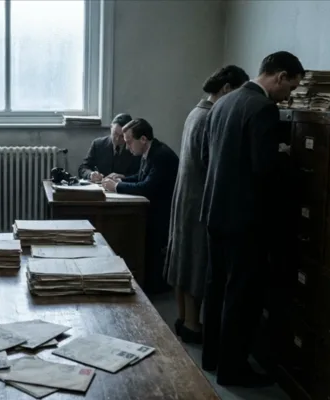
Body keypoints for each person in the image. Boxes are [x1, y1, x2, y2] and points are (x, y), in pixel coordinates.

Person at [199, 51, 304, 386]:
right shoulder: (262, 108)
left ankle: (211, 357)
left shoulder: (222, 104)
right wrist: (284, 156)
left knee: (217, 287)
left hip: (215, 213)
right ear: (280, 76)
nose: (288, 97)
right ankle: (233, 369)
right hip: (245, 221)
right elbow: (263, 169)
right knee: (242, 296)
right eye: (291, 88)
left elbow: (207, 157)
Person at [163, 65, 250, 344]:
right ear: (226, 89)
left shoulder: (195, 112)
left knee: (182, 258)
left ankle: (183, 319)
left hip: (186, 196)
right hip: (199, 198)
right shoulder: (209, 117)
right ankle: (192, 324)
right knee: (196, 260)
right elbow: (212, 163)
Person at [101, 118, 179, 294]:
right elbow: (141, 177)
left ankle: (151, 287)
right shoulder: (150, 150)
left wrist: (117, 187)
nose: (127, 147)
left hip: (162, 213)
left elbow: (146, 187)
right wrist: (121, 179)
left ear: (143, 139)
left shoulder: (160, 155)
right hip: (152, 208)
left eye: (129, 142)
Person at [78, 113, 141, 182]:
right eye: (115, 134)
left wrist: (124, 177)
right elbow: (83, 168)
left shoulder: (136, 147)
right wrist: (90, 174)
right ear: (111, 127)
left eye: (122, 136)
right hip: (101, 186)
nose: (117, 139)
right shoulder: (98, 144)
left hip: (125, 186)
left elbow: (140, 175)